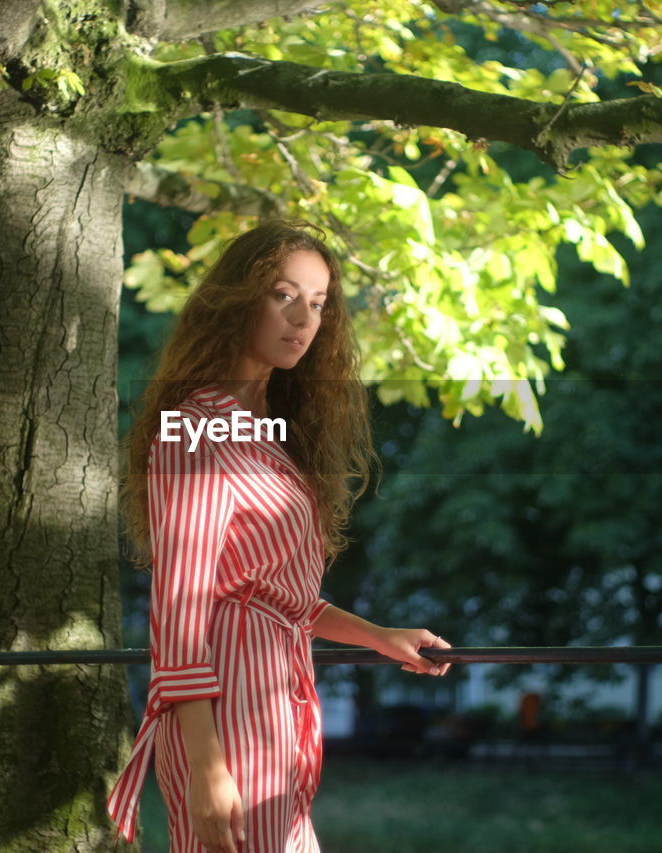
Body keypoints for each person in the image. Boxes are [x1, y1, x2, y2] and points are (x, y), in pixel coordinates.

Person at [106, 221, 453, 853]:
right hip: (228, 709)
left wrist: (378, 637)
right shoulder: (198, 426)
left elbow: (280, 598)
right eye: (283, 294)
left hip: (275, 697)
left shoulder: (265, 437)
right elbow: (180, 603)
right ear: (239, 298)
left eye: (318, 304)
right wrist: (208, 768)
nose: (303, 318)